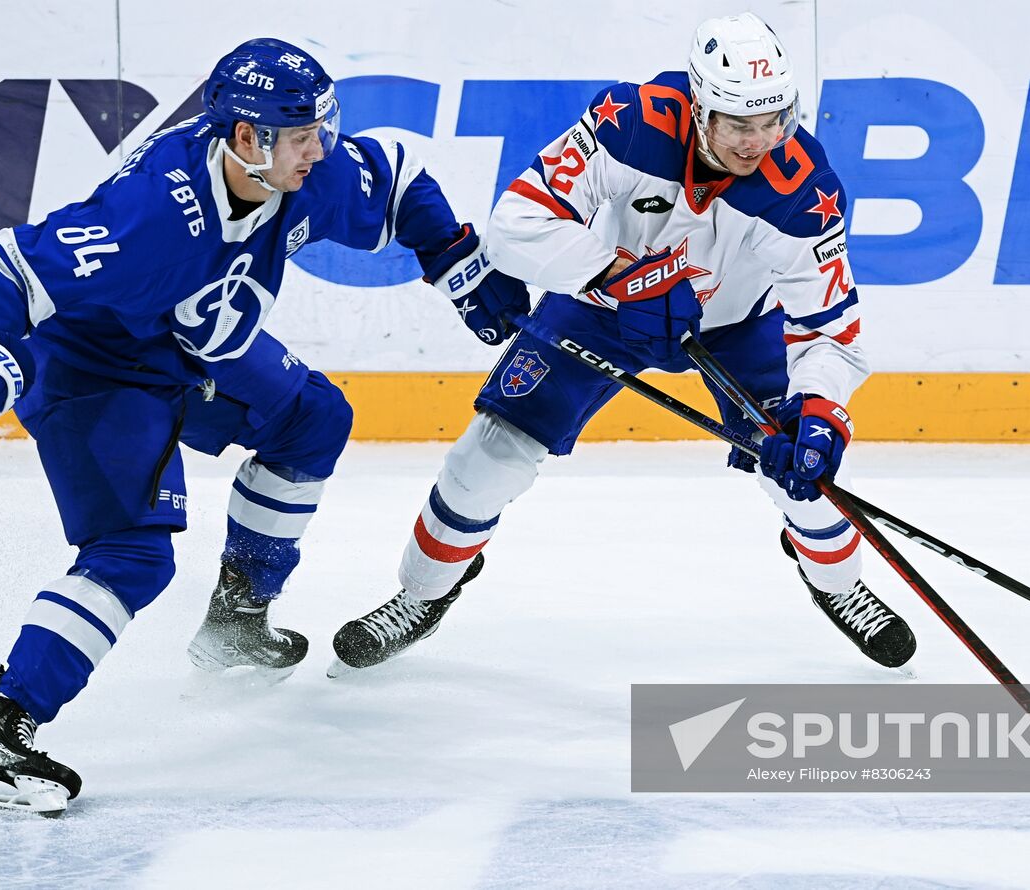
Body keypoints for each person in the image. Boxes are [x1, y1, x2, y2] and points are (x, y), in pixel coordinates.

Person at [0, 37, 528, 816]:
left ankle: (238, 617)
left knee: (313, 418)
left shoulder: (295, 163)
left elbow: (398, 179)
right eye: (305, 136)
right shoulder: (151, 218)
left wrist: (458, 264)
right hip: (97, 370)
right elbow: (7, 267)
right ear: (248, 139)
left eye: (320, 129)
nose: (323, 150)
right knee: (132, 556)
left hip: (196, 351)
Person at [329, 13, 916, 677]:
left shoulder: (806, 193)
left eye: (774, 119)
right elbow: (515, 223)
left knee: (806, 482)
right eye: (739, 124)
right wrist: (616, 275)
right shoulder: (628, 121)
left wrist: (819, 415)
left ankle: (840, 586)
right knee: (488, 456)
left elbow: (829, 331)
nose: (761, 141)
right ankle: (422, 594)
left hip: (739, 329)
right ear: (699, 108)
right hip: (602, 308)